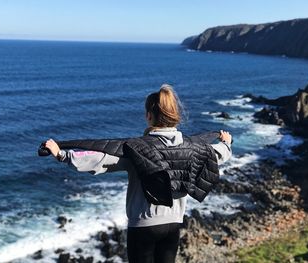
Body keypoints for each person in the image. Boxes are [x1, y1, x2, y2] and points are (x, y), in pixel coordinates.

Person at [44, 84, 232, 263]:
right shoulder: (193, 147)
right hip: (173, 225)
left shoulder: (137, 149)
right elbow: (216, 154)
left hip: (144, 227)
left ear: (149, 116)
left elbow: (100, 158)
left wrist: (62, 155)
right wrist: (226, 143)